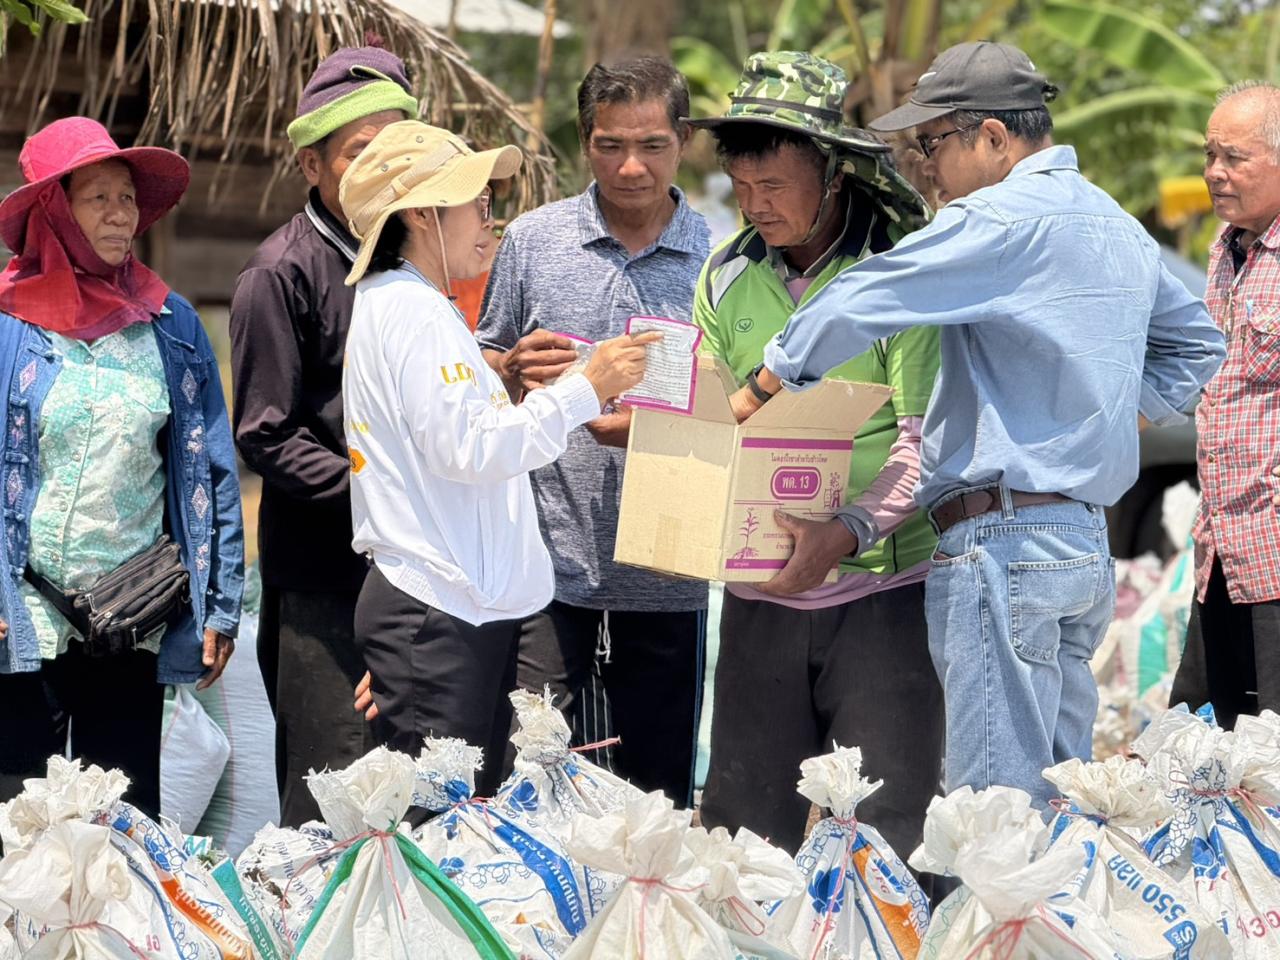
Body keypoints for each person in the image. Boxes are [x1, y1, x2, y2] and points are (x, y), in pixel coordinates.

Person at [731, 42, 1226, 808]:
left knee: (994, 814)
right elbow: (1198, 343)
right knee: (1059, 806)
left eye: (933, 142)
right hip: (1080, 547)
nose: (927, 166)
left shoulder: (995, 219)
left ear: (992, 137)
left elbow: (863, 293)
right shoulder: (1115, 223)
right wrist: (1114, 419)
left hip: (1002, 551)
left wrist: (767, 380)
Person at [339, 120, 656, 795]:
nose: (491, 220)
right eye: (477, 202)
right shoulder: (415, 312)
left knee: (451, 821)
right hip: (436, 607)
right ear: (422, 214)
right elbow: (473, 447)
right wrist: (587, 386)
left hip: (444, 605)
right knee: (432, 826)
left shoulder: (408, 304)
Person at [686, 52, 944, 858]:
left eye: (775, 186)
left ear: (833, 174)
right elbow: (708, 418)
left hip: (884, 599)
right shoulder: (725, 276)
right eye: (742, 187)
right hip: (759, 599)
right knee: (742, 839)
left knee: (886, 841)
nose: (755, 205)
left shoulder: (899, 273)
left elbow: (926, 440)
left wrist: (846, 531)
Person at [475, 57, 710, 806]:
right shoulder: (533, 240)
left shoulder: (723, 258)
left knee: (658, 801)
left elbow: (744, 404)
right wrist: (510, 368)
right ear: (585, 142)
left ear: (684, 142)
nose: (631, 167)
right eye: (610, 146)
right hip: (546, 566)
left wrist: (663, 428)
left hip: (670, 570)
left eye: (652, 145)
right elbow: (483, 363)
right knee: (534, 783)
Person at [0, 117, 243, 817]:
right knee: (21, 827)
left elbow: (212, 468)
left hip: (128, 615)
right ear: (54, 212)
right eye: (98, 197)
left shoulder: (171, 325)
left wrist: (219, 602)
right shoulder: (9, 326)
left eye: (128, 197)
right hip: (23, 617)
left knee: (122, 826)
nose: (120, 214)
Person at [230, 44, 416, 825]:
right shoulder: (280, 272)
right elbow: (264, 433)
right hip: (323, 577)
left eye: (396, 149)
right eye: (358, 152)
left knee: (413, 795)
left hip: (415, 574)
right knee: (330, 797)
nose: (381, 170)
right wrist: (381, 495)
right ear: (312, 165)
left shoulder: (415, 255)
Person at [1171, 81, 1280, 728]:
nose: (1215, 172)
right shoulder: (1226, 250)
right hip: (1224, 552)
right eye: (1210, 155)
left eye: (1234, 157)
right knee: (1208, 748)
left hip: (1275, 553)